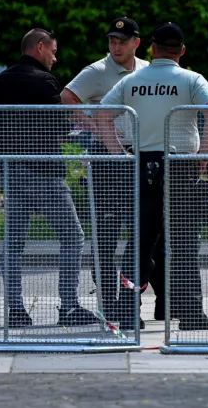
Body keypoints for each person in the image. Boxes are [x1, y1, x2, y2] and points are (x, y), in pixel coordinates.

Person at [98, 22, 208, 331]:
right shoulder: (192, 79)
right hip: (180, 165)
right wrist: (203, 156)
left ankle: (127, 311)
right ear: (182, 51)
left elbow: (101, 113)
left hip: (143, 164)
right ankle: (190, 313)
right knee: (183, 241)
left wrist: (117, 154)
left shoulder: (133, 80)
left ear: (151, 48)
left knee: (140, 240)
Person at [0, 28, 99, 328]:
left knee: (14, 244)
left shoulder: (0, 82)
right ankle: (69, 306)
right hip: (44, 171)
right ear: (39, 47)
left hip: (12, 169)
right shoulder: (45, 81)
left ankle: (16, 311)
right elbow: (57, 124)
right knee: (73, 236)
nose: (55, 57)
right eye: (52, 50)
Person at [61, 17, 149, 315]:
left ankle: (129, 299)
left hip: (139, 157)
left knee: (140, 232)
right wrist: (94, 127)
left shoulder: (147, 70)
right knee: (107, 233)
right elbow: (66, 98)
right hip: (107, 160)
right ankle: (108, 300)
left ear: (136, 42)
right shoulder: (98, 70)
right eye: (112, 41)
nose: (116, 47)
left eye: (122, 42)